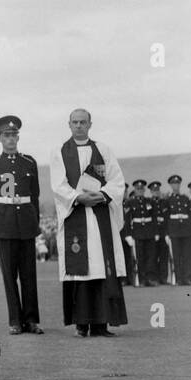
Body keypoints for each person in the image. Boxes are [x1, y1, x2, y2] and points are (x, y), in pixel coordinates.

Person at [48, 109, 128, 336]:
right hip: (77, 214)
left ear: (90, 124)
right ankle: (82, 324)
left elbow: (117, 180)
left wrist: (101, 195)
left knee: (102, 266)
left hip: (101, 214)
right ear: (69, 124)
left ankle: (101, 324)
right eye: (75, 122)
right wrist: (78, 197)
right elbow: (58, 185)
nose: (79, 126)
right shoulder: (59, 152)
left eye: (83, 122)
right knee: (80, 270)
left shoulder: (103, 150)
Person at [0, 115, 42, 335]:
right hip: (3, 224)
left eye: (14, 135)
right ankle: (15, 321)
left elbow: (35, 196)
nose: (11, 139)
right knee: (9, 276)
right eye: (6, 135)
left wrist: (36, 224)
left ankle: (32, 320)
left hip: (26, 223)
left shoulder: (29, 162)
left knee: (29, 275)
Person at [163, 175, 191, 286]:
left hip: (186, 230)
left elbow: (190, 214)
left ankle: (186, 277)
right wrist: (167, 233)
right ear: (170, 185)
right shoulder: (168, 200)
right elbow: (165, 217)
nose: (176, 185)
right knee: (177, 255)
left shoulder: (185, 198)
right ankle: (178, 278)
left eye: (177, 183)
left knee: (187, 255)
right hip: (174, 230)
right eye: (174, 184)